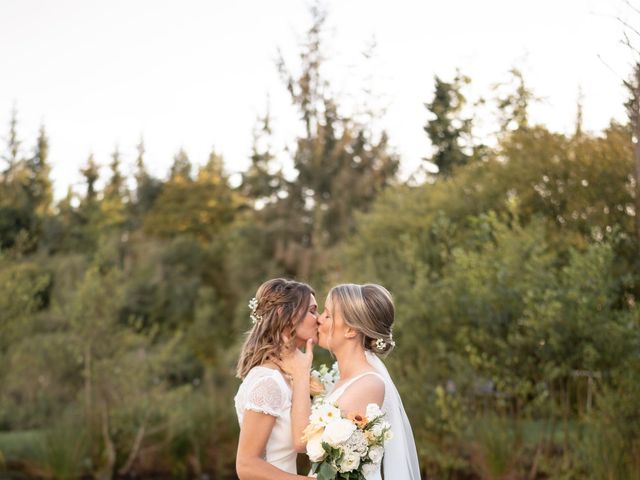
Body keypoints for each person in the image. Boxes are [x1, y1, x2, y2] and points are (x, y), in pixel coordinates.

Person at [310, 283, 422, 480]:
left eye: (327, 315)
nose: (319, 319)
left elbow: (322, 457)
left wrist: (299, 371)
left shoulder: (368, 385)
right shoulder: (341, 378)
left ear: (351, 330)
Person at [234, 278, 318, 479]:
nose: (319, 318)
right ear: (284, 315)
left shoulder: (287, 376)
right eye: (312, 310)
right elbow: (246, 465)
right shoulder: (269, 382)